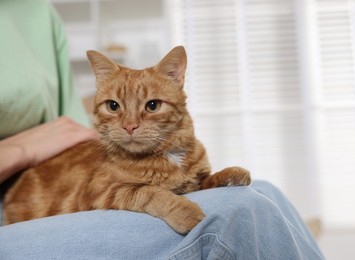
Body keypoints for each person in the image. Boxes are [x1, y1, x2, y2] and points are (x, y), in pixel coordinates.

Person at [0, 0, 325, 259]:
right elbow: (98, 193)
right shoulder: (114, 162)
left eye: (151, 106)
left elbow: (68, 125)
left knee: (265, 192)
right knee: (236, 213)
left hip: (57, 162)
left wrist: (208, 182)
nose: (130, 125)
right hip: (15, 206)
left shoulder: (36, 11)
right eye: (114, 107)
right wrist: (19, 150)